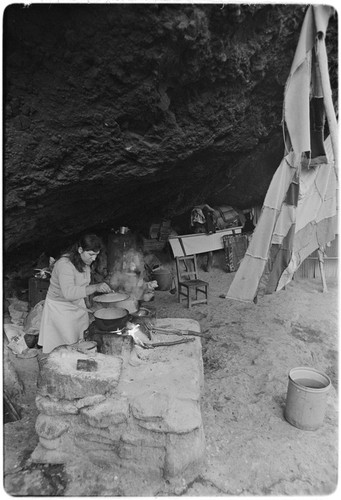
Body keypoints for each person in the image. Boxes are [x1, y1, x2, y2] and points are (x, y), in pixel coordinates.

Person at [38, 234, 111, 353]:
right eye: (91, 254)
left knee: (81, 337)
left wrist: (88, 306)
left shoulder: (84, 262)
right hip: (61, 308)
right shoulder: (64, 265)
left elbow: (83, 286)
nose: (93, 259)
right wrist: (96, 287)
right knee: (66, 344)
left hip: (77, 305)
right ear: (80, 250)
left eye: (96, 255)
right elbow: (69, 293)